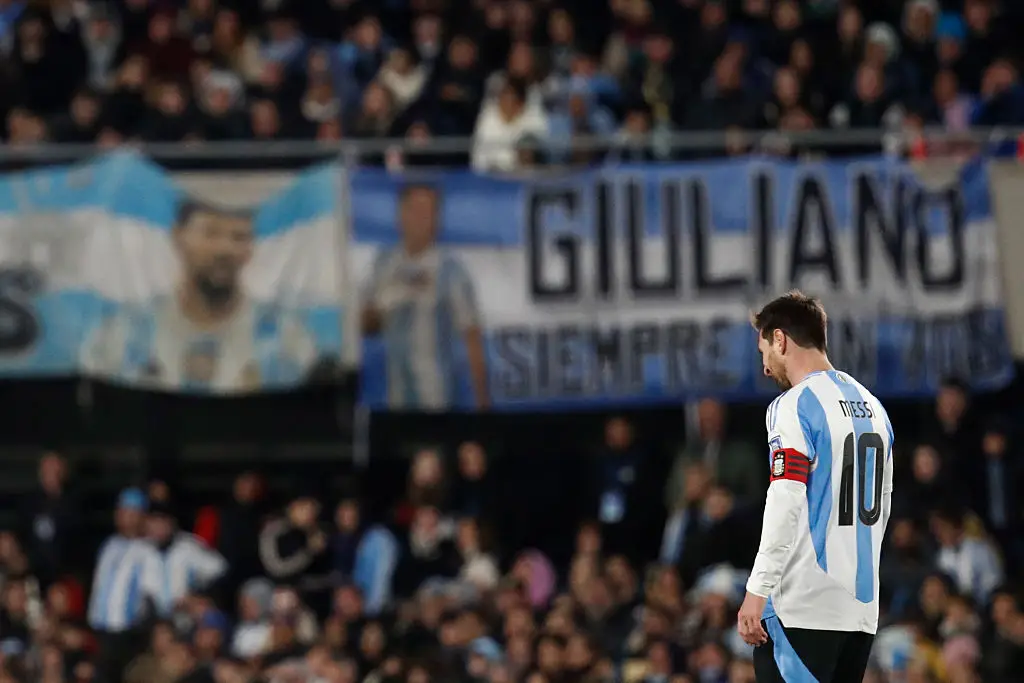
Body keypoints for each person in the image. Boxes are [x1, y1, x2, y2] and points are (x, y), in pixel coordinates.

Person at [736, 291, 895, 683]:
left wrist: (758, 589)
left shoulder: (792, 405)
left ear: (780, 340)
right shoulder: (874, 406)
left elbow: (785, 498)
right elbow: (884, 504)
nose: (765, 367)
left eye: (763, 353)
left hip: (803, 606)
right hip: (860, 613)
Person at [80, 200, 318, 391]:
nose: (224, 249)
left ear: (250, 249)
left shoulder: (287, 338)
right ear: (178, 237)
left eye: (238, 237)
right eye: (210, 233)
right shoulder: (123, 333)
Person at [361, 183, 489, 410]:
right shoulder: (383, 264)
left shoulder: (451, 270)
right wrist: (387, 300)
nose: (422, 219)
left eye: (429, 212)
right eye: (415, 210)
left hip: (437, 399)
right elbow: (366, 327)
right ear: (401, 215)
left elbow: (472, 337)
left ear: (437, 220)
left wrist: (482, 406)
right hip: (395, 399)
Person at [87, 488, 159, 683]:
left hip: (126, 632)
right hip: (100, 628)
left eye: (130, 513)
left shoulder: (148, 550)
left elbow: (151, 593)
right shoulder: (108, 545)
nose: (124, 517)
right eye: (121, 512)